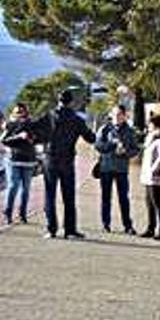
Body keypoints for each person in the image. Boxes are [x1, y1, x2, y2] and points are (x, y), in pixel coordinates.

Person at [40, 90, 96, 239]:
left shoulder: (49, 116)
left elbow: (36, 132)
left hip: (49, 159)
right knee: (69, 197)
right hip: (67, 161)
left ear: (58, 101)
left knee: (49, 196)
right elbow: (90, 138)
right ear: (71, 102)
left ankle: (51, 229)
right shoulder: (77, 119)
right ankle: (70, 230)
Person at [94, 105, 139, 234]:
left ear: (124, 116)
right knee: (105, 198)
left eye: (119, 114)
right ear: (110, 115)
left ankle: (128, 226)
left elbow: (135, 149)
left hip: (121, 169)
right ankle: (105, 224)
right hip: (105, 168)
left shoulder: (130, 131)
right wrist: (111, 145)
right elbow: (98, 146)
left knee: (124, 198)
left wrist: (125, 152)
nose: (117, 117)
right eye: (114, 114)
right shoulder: (104, 129)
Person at [2, 104, 38, 225]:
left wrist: (31, 138)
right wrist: (19, 136)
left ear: (26, 113)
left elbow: (37, 139)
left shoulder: (32, 125)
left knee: (26, 189)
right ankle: (8, 213)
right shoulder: (10, 125)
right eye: (17, 112)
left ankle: (22, 214)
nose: (20, 114)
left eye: (22, 112)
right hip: (13, 160)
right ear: (13, 113)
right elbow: (3, 140)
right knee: (13, 186)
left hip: (28, 161)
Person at [140, 114, 160, 241]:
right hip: (148, 176)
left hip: (156, 177)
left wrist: (154, 170)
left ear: (156, 125)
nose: (148, 126)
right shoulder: (151, 138)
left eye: (150, 124)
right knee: (149, 203)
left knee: (158, 203)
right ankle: (150, 228)